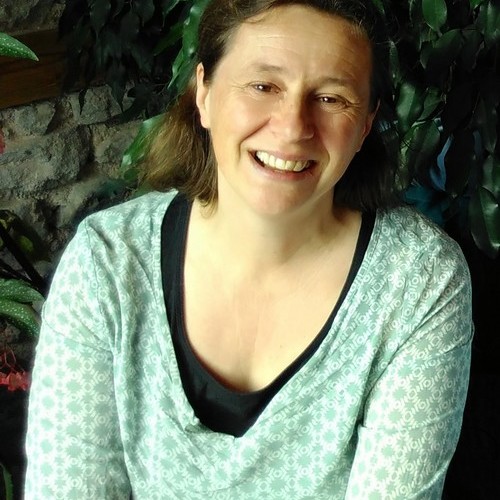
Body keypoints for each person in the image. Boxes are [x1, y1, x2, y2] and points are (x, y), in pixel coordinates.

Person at [25, 0, 473, 498]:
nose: (293, 127)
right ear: (204, 93)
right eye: (263, 86)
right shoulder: (106, 262)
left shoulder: (417, 280)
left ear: (366, 125)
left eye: (331, 98)